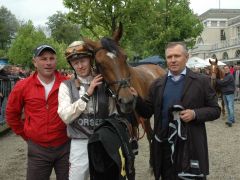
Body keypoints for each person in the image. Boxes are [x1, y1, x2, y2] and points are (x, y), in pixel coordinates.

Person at [130, 42, 221, 180]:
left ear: (186, 57)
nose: (172, 60)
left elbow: (215, 110)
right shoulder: (157, 84)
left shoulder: (201, 81)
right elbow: (147, 112)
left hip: (190, 145)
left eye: (177, 56)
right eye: (169, 56)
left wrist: (195, 114)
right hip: (164, 144)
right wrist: (136, 99)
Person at [58, 41, 135, 180]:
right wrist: (87, 94)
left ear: (91, 60)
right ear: (71, 65)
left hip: (103, 141)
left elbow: (114, 114)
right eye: (75, 63)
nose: (80, 66)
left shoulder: (106, 83)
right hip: (79, 142)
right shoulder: (66, 86)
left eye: (83, 60)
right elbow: (66, 116)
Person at [6, 45, 70, 180]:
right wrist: (27, 135)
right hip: (38, 149)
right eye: (43, 58)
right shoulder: (22, 86)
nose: (48, 62)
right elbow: (11, 114)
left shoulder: (67, 84)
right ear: (35, 62)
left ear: (56, 61)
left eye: (52, 58)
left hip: (66, 147)